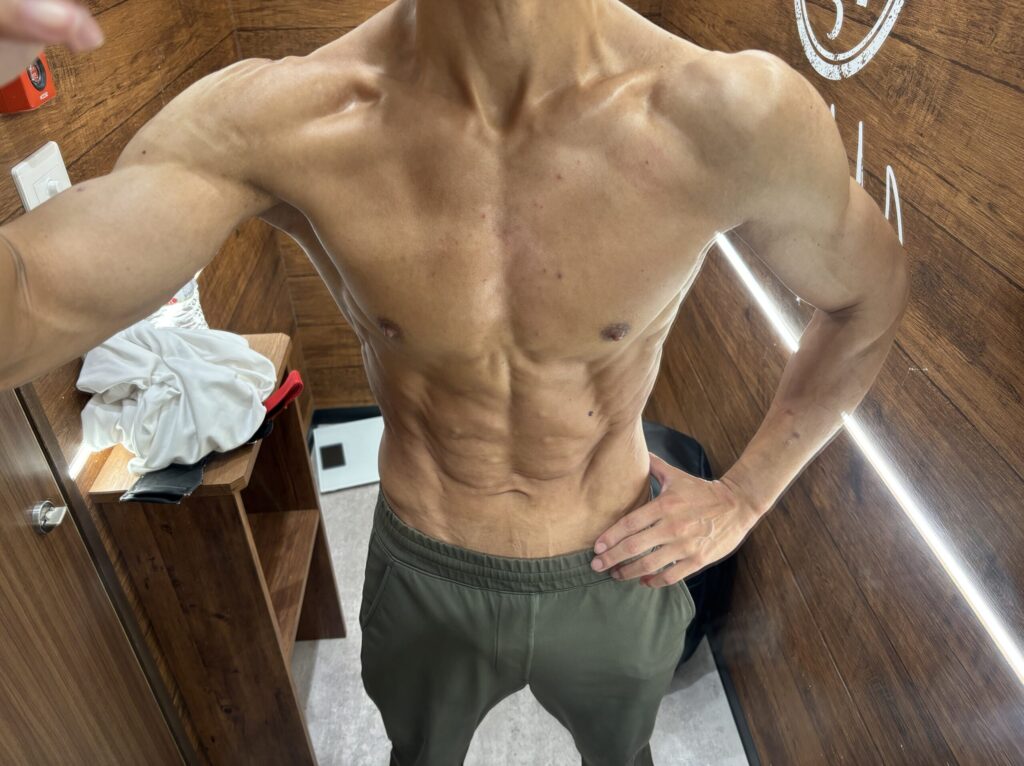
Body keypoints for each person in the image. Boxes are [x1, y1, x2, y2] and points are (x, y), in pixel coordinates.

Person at [0, 0, 909, 763]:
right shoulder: (281, 119)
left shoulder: (727, 114)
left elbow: (867, 300)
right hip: (425, 564)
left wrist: (745, 497)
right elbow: (30, 308)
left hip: (618, 561)